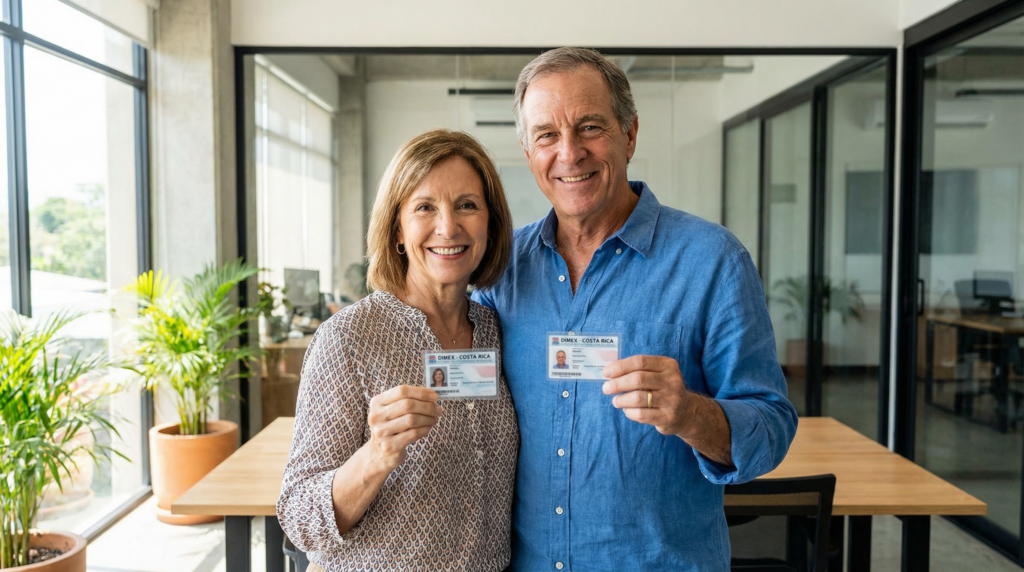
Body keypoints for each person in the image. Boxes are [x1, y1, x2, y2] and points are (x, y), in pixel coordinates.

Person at [472, 47, 798, 571]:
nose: (569, 153)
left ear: (629, 134)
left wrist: (691, 414)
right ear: (528, 150)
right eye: (547, 135)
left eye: (590, 127)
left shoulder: (712, 260)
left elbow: (772, 425)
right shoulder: (499, 268)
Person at [278, 129, 518, 572]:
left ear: (491, 223)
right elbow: (298, 518)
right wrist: (376, 455)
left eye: (467, 205)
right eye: (425, 207)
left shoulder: (495, 331)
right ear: (397, 231)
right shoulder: (347, 339)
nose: (448, 226)